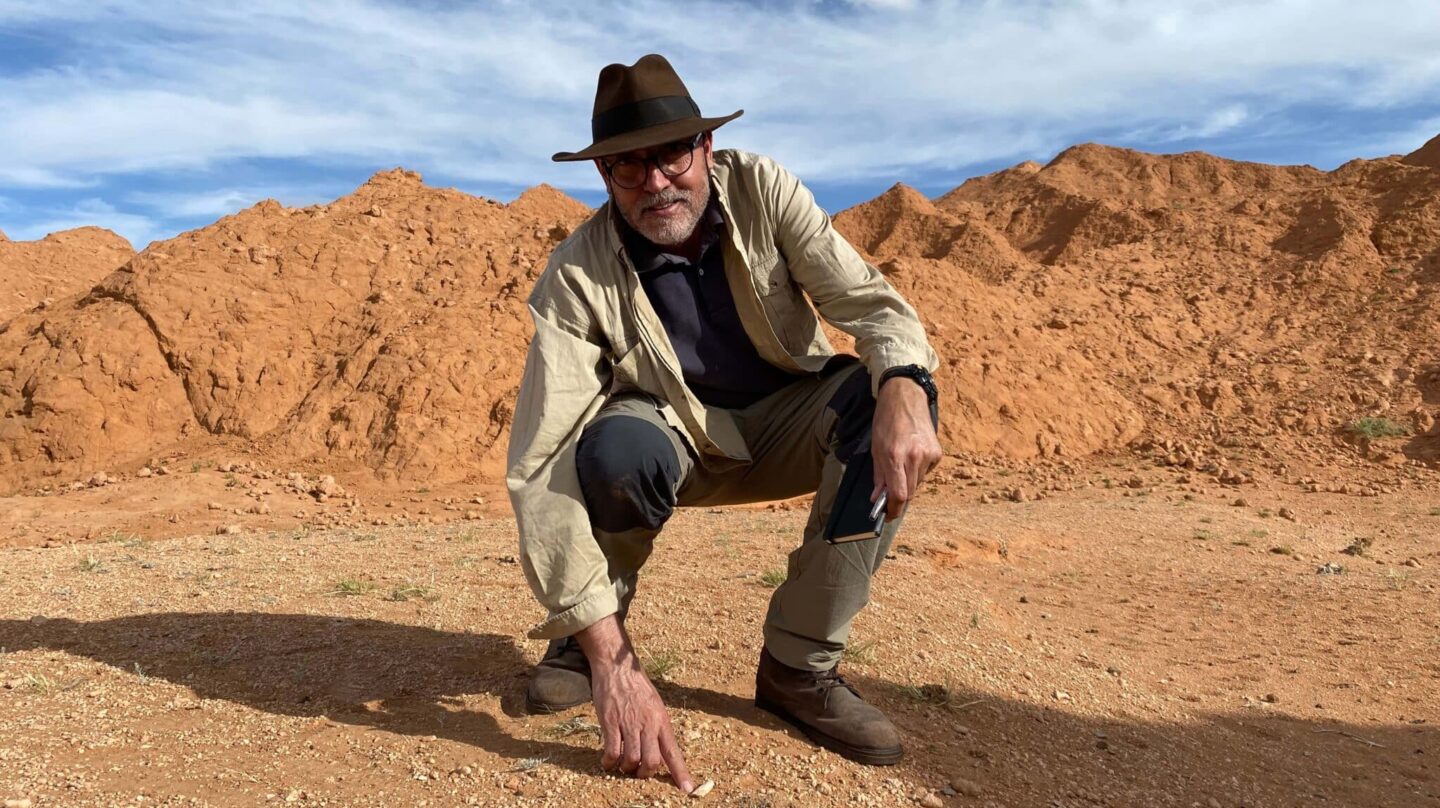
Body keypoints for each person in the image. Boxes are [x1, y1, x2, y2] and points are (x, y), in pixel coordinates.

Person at [507, 54, 942, 792]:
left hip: (786, 420)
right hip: (671, 436)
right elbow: (541, 461)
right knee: (610, 450)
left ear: (705, 147)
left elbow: (869, 304)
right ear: (604, 176)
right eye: (626, 165)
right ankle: (588, 648)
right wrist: (615, 663)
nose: (654, 181)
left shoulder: (765, 191)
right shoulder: (576, 274)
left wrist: (906, 380)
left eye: (671, 154)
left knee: (883, 398)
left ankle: (798, 668)